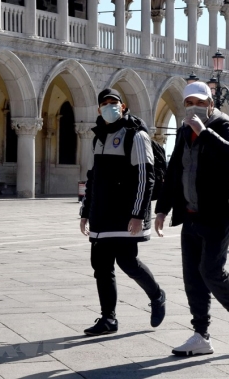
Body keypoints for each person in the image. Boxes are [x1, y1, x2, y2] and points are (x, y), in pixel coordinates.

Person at [154, 82, 229, 357]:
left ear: (211, 103)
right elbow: (175, 169)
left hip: (219, 210)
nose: (193, 107)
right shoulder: (184, 131)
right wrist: (162, 209)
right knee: (192, 276)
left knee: (211, 269)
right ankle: (201, 335)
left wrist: (205, 131)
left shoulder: (223, 125)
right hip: (190, 212)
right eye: (188, 103)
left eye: (199, 102)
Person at [79, 88, 165, 336]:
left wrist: (138, 214)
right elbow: (93, 178)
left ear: (123, 106)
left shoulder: (135, 136)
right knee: (101, 266)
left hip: (125, 214)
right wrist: (85, 211)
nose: (109, 107)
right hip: (100, 214)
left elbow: (145, 177)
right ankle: (108, 319)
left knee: (128, 262)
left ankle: (157, 295)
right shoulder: (98, 138)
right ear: (98, 109)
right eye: (104, 104)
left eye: (114, 103)